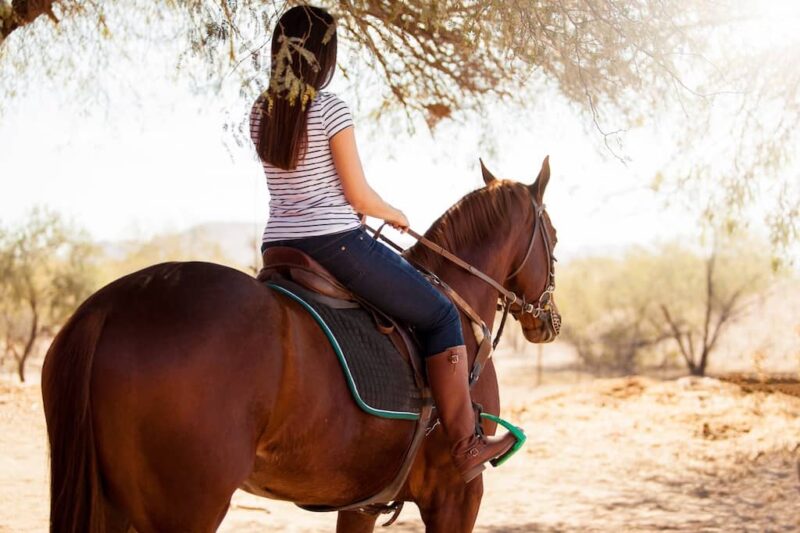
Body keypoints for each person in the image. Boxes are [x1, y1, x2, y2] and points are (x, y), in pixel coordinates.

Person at [249, 4, 514, 483]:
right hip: (335, 243)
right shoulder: (329, 107)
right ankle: (466, 442)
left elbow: (296, 186)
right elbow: (356, 194)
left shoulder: (262, 110)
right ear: (322, 55)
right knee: (438, 313)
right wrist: (392, 212)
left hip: (278, 247)